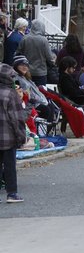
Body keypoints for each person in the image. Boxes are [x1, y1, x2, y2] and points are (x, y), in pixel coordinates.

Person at [0, 63, 28, 203]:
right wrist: (21, 136)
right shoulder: (11, 94)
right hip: (8, 136)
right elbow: (17, 119)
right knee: (10, 165)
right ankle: (12, 193)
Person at [16, 20, 55, 86]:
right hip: (40, 72)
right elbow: (49, 57)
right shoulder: (44, 40)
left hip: (26, 71)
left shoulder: (25, 38)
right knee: (40, 92)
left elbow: (18, 53)